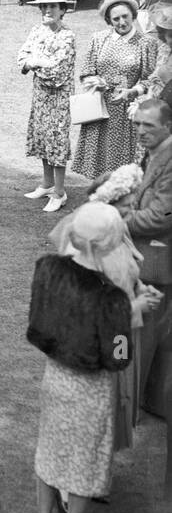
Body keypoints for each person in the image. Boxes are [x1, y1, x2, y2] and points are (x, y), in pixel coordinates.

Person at [28, 203, 154, 513]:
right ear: (109, 244)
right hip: (89, 389)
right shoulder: (110, 298)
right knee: (84, 467)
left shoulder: (47, 268)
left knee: (48, 452)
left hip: (54, 378)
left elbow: (42, 322)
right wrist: (133, 309)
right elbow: (119, 357)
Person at [88, 98, 172, 425]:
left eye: (148, 126)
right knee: (151, 339)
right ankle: (151, 402)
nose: (140, 131)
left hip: (154, 263)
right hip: (147, 260)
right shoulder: (154, 152)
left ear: (168, 126)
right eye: (137, 124)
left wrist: (117, 220)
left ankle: (124, 408)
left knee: (135, 338)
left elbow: (162, 216)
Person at [74, 0, 158, 179]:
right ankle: (99, 193)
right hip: (98, 107)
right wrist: (96, 82)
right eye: (116, 19)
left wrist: (132, 91)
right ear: (109, 20)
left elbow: (150, 80)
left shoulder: (146, 43)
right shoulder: (99, 38)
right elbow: (86, 72)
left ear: (133, 15)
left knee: (122, 163)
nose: (121, 22)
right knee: (97, 162)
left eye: (125, 16)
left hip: (126, 110)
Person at [16, 0, 77, 214]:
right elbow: (22, 57)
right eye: (43, 6)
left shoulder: (67, 36)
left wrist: (36, 62)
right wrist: (35, 62)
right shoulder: (37, 30)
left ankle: (59, 192)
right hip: (40, 95)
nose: (47, 10)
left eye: (52, 6)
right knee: (42, 136)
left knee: (57, 140)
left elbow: (57, 71)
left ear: (62, 9)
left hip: (59, 97)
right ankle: (47, 183)